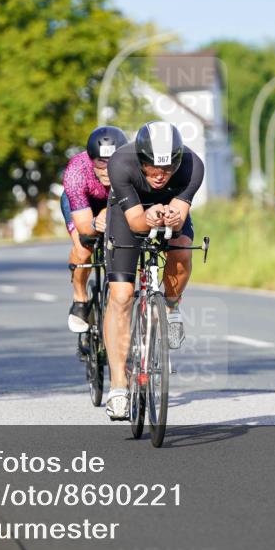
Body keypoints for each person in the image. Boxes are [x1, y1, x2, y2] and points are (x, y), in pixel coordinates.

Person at [101, 121, 204, 420]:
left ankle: (171, 305)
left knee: (182, 247)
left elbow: (180, 214)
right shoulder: (121, 162)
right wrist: (148, 216)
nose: (160, 176)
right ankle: (119, 386)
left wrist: (170, 216)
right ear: (140, 159)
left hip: (166, 211)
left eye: (168, 169)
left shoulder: (192, 165)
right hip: (128, 213)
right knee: (121, 296)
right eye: (152, 168)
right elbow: (135, 223)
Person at [61, 126, 128, 333]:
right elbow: (86, 229)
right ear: (91, 159)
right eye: (101, 162)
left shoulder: (132, 167)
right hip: (84, 204)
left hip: (114, 203)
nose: (107, 169)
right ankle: (80, 298)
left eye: (112, 162)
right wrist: (94, 224)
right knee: (84, 249)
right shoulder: (76, 172)